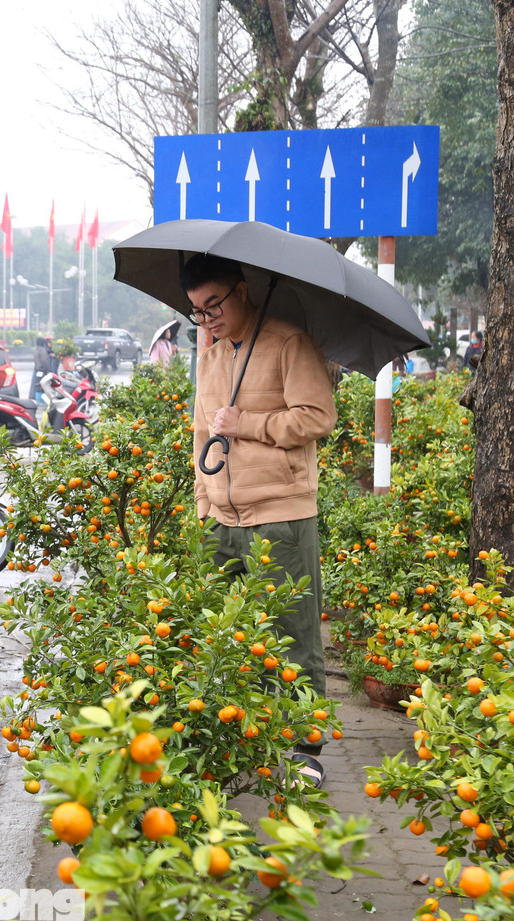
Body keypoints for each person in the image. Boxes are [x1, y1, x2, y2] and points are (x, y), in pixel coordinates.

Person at [182, 253, 337, 788]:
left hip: (280, 515)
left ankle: (304, 749)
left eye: (214, 305)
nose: (208, 318)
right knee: (223, 636)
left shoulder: (289, 342)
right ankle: (233, 741)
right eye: (198, 311)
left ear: (243, 289)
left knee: (294, 637)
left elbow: (318, 417)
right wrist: (204, 503)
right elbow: (203, 435)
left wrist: (246, 423)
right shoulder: (211, 355)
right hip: (221, 516)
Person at [30, 335, 54, 400]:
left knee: (36, 385)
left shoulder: (36, 350)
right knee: (42, 387)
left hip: (37, 370)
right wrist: (47, 370)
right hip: (43, 371)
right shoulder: (43, 350)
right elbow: (44, 361)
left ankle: (34, 397)